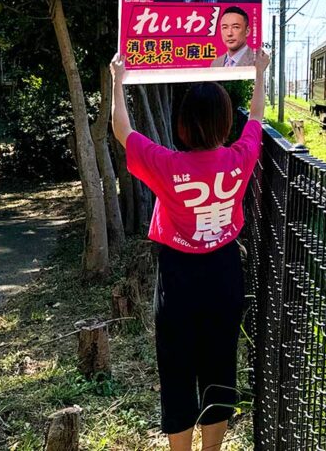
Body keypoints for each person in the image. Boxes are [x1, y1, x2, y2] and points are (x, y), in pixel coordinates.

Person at [110, 48, 270, 451]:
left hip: (178, 276)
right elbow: (257, 119)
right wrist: (261, 74)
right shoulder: (240, 157)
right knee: (219, 364)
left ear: (182, 124)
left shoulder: (165, 165)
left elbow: (122, 131)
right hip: (224, 271)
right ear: (223, 122)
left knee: (177, 367)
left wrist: (118, 80)